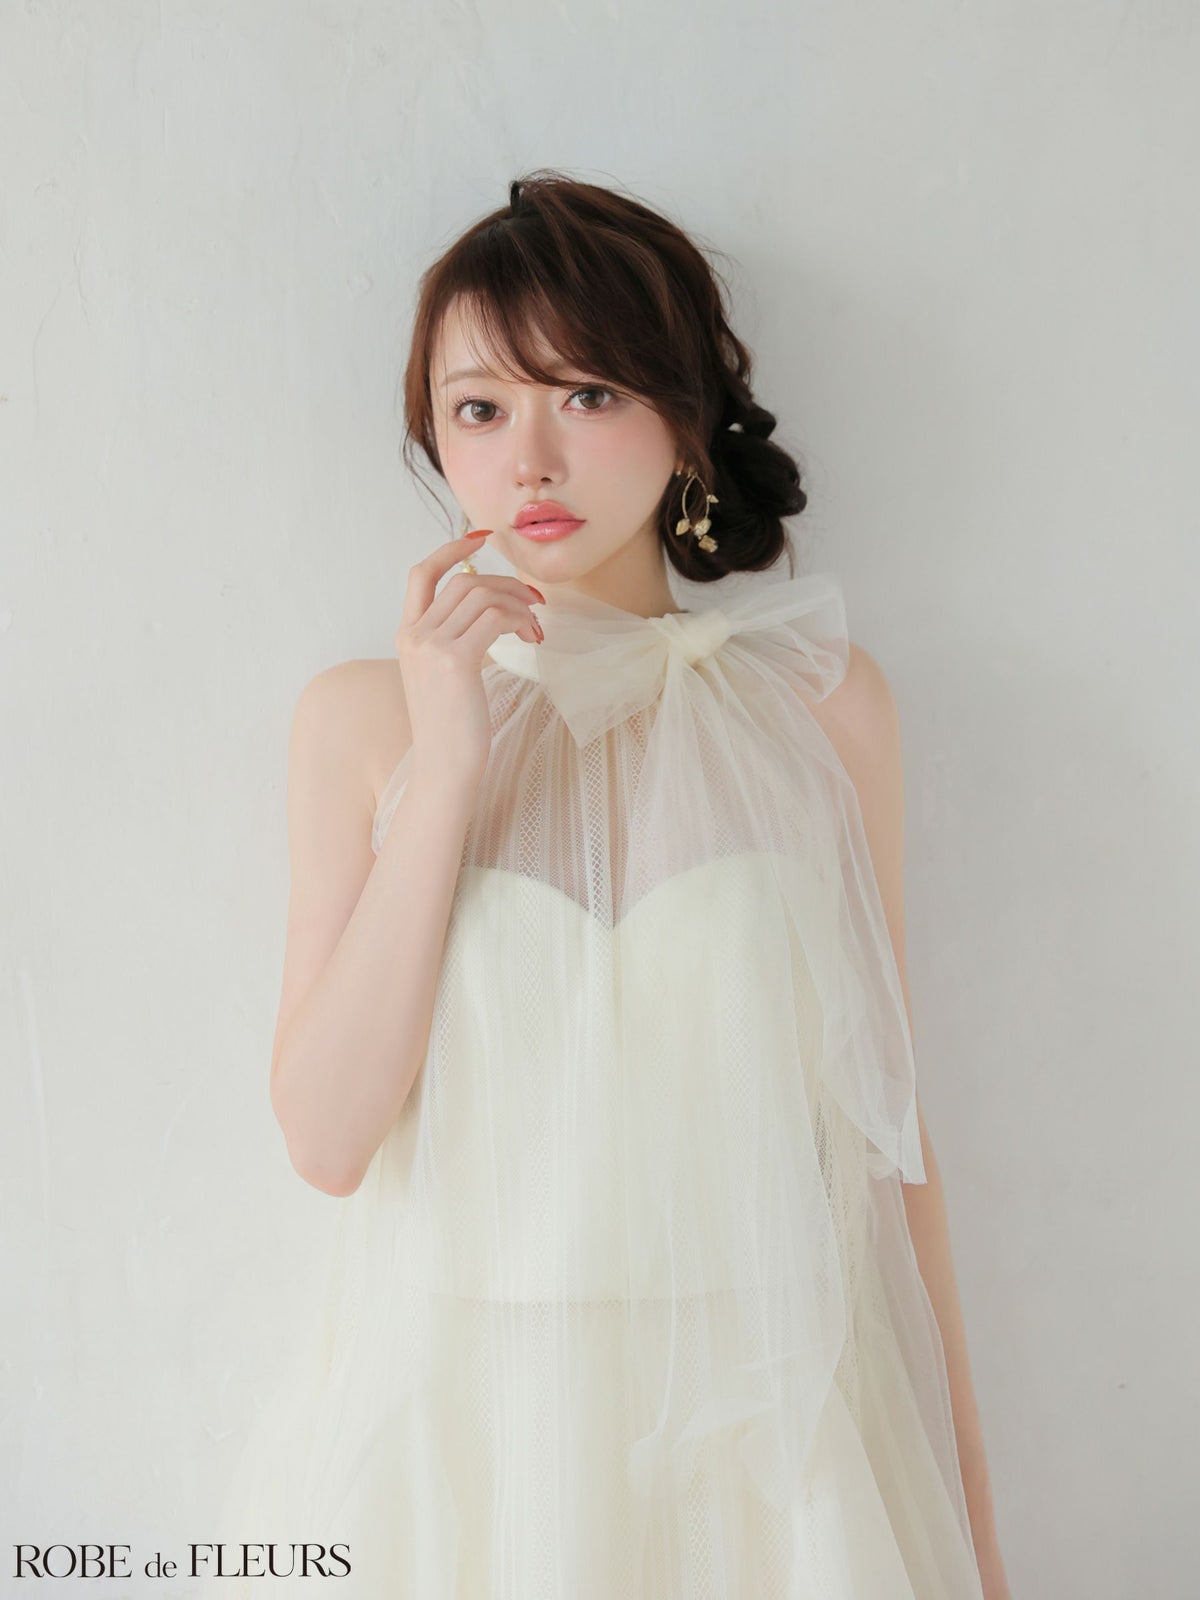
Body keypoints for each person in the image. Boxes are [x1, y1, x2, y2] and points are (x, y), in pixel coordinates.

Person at [202, 172, 1011, 1598]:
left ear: (682, 415)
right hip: (467, 1445)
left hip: (765, 1437)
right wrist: (452, 760)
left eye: (585, 395)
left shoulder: (824, 708)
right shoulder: (363, 722)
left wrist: (971, 1529)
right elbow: (326, 1139)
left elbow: (891, 1146)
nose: (530, 462)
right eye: (479, 409)